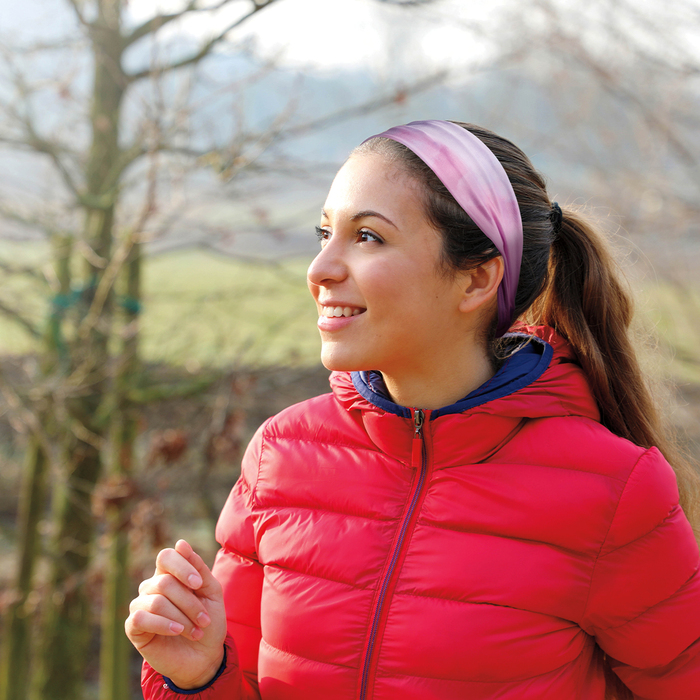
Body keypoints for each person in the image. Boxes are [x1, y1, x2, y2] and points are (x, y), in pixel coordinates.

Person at [126, 120, 700, 699]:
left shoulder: (612, 489)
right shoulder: (282, 455)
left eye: (368, 237)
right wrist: (197, 676)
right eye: (324, 233)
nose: (320, 268)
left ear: (475, 279)